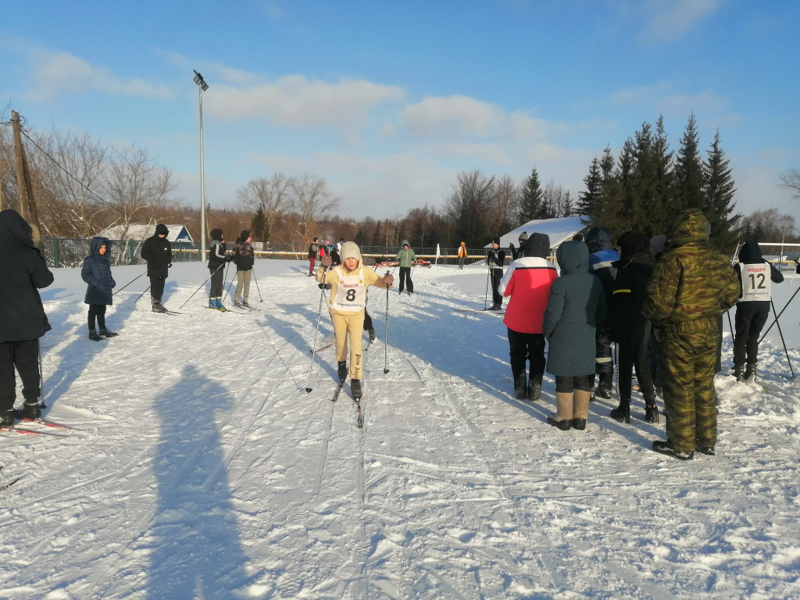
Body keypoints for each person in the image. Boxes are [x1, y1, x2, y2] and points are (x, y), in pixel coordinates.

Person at [643, 209, 740, 460]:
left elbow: (659, 303)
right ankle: (706, 440)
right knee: (704, 385)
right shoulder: (720, 257)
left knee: (680, 388)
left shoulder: (673, 259)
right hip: (709, 329)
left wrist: (660, 321)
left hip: (679, 332)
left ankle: (682, 444)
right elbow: (732, 294)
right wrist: (710, 310)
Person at [316, 242, 394, 399]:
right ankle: (341, 365)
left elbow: (380, 282)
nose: (350, 261)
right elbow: (322, 279)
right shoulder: (337, 272)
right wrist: (323, 266)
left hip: (357, 314)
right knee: (341, 343)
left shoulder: (364, 272)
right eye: (347, 258)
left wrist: (388, 281)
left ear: (358, 258)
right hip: (338, 312)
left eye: (353, 258)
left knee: (356, 346)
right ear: (343, 259)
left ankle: (355, 379)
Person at [543, 240, 606, 431]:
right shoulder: (595, 281)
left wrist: (547, 332)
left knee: (564, 376)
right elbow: (602, 310)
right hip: (587, 333)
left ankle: (563, 417)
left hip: (563, 334)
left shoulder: (561, 283)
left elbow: (553, 314)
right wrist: (592, 325)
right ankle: (581, 417)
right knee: (582, 376)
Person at [0, 209, 54, 426]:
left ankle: (4, 412)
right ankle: (32, 406)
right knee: (29, 364)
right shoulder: (27, 253)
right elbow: (45, 281)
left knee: (2, 369)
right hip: (26, 320)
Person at [606, 232, 658, 423]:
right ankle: (651, 408)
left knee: (625, 367)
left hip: (627, 326)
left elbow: (620, 302)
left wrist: (612, 325)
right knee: (643, 365)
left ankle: (624, 407)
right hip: (647, 325)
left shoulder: (627, 270)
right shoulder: (652, 266)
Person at [498, 233, 558, 401]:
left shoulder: (517, 264)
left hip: (517, 320)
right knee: (537, 355)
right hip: (540, 321)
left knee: (517, 354)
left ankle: (519, 386)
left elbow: (503, 291)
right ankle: (535, 387)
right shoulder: (551, 268)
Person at [733, 241, 784, 383]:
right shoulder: (766, 265)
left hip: (745, 305)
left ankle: (739, 369)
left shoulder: (741, 266)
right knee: (753, 337)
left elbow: (728, 282)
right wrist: (764, 262)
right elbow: (779, 279)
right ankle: (752, 367)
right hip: (763, 306)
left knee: (741, 338)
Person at [585, 226, 619, 400]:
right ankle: (606, 385)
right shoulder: (617, 256)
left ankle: (588, 386)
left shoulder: (590, 258)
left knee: (590, 347)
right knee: (604, 346)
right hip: (617, 309)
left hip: (594, 308)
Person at [81, 237, 118, 341]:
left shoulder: (105, 260)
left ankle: (102, 329)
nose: (103, 249)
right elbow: (85, 274)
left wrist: (111, 281)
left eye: (105, 247)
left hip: (105, 289)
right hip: (95, 290)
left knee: (102, 310)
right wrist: (96, 283)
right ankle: (92, 331)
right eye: (101, 247)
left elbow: (108, 273)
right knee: (93, 310)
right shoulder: (89, 260)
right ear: (95, 247)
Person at [140, 223, 172, 313]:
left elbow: (169, 254)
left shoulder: (166, 243)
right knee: (155, 285)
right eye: (160, 234)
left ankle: (158, 302)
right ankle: (155, 304)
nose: (162, 235)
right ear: (157, 233)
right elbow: (144, 254)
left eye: (164, 234)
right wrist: (154, 259)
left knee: (161, 287)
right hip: (153, 267)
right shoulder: (150, 241)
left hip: (163, 268)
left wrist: (168, 261)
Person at [208, 228, 230, 311]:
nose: (222, 236)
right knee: (215, 284)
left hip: (219, 266)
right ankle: (212, 301)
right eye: (221, 234)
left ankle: (218, 300)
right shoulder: (216, 243)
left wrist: (223, 244)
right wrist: (225, 258)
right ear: (218, 235)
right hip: (215, 266)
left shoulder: (219, 243)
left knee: (219, 284)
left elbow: (222, 251)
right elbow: (216, 255)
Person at [232, 230, 255, 307]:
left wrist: (251, 263)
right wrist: (238, 263)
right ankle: (236, 299)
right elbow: (233, 256)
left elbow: (252, 256)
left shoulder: (250, 246)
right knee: (240, 283)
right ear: (246, 236)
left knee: (247, 283)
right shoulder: (238, 246)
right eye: (249, 236)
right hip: (240, 268)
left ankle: (245, 299)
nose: (251, 238)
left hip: (248, 268)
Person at [487, 237, 505, 310]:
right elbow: (488, 263)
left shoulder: (501, 252)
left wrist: (494, 258)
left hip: (498, 271)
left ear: (498, 244)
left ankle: (499, 303)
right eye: (492, 243)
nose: (493, 245)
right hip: (492, 270)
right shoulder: (491, 252)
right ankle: (495, 303)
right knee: (494, 288)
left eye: (494, 243)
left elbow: (500, 263)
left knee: (498, 287)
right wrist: (489, 258)